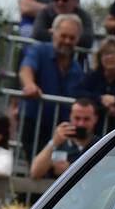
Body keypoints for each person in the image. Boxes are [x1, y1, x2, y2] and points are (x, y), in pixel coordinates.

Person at [20, 13, 85, 160]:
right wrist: (30, 85)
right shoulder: (39, 50)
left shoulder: (77, 68)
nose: (67, 41)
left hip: (62, 130)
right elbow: (26, 69)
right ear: (53, 32)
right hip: (34, 124)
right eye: (63, 36)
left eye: (72, 38)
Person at [29, 97, 98, 178]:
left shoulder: (100, 144)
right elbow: (35, 172)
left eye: (86, 119)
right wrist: (53, 142)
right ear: (70, 117)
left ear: (95, 119)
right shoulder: (59, 142)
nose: (81, 124)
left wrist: (70, 170)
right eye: (77, 118)